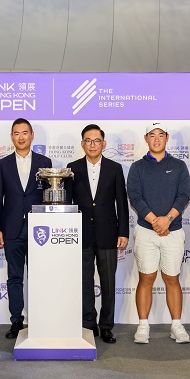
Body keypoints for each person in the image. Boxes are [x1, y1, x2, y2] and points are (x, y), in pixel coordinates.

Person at [127, 121, 190, 344]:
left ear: (166, 138)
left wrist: (168, 219)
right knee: (146, 278)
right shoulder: (137, 167)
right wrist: (155, 221)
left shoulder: (179, 166)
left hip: (173, 231)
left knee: (172, 279)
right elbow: (135, 196)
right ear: (145, 139)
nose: (156, 139)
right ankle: (143, 326)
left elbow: (184, 196)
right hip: (146, 231)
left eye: (160, 135)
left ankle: (176, 325)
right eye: (151, 135)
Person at [65, 124, 129, 344]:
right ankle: (88, 324)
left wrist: (123, 231)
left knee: (108, 282)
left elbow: (122, 202)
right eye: (88, 140)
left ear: (104, 143)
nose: (92, 145)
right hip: (80, 234)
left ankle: (107, 326)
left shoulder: (115, 168)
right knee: (84, 283)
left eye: (96, 140)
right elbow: (68, 204)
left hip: (108, 233)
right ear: (82, 143)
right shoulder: (71, 169)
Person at [0, 118, 52, 339]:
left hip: (40, 231)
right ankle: (16, 320)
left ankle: (40, 319)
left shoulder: (45, 162)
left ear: (32, 135)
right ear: (11, 137)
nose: (21, 137)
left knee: (39, 277)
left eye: (25, 132)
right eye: (16, 133)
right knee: (14, 277)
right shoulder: (3, 164)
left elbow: (50, 198)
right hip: (12, 229)